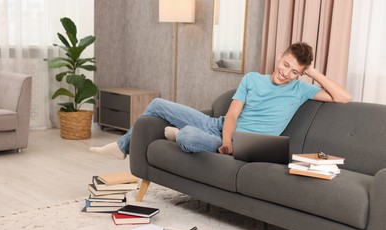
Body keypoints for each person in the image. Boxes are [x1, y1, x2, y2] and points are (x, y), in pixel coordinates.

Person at [90, 42, 352, 159]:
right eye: (285, 64)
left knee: (188, 138)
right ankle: (121, 146)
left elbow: (343, 97)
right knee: (158, 105)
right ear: (279, 55)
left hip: (247, 145)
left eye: (295, 71)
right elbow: (234, 115)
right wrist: (226, 141)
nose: (286, 73)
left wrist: (311, 72)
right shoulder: (252, 79)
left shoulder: (300, 89)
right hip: (220, 127)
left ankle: (179, 135)